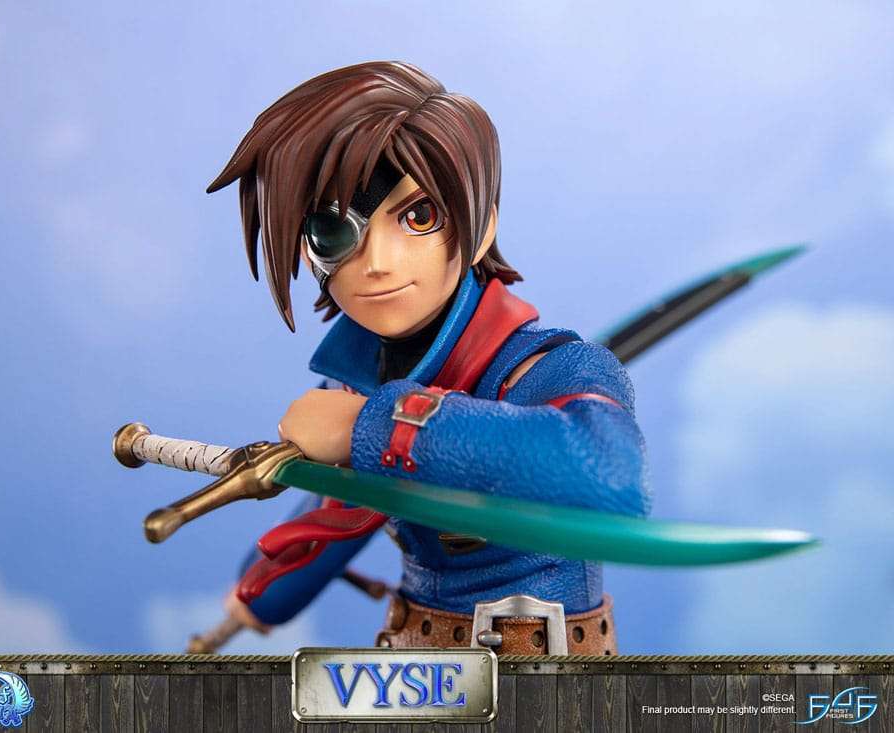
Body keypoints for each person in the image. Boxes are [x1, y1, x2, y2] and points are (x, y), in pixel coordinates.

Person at [206, 61, 650, 655]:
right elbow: (343, 508)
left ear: (480, 227)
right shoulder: (360, 381)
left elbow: (611, 479)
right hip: (414, 664)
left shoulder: (550, 371)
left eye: (419, 217)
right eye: (335, 230)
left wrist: (378, 427)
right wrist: (259, 592)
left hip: (543, 671)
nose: (377, 262)